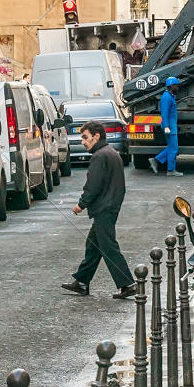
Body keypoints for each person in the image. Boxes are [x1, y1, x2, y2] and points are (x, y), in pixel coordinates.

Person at [62, 123, 134, 299]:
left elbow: (93, 185)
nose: (83, 142)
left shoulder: (100, 157)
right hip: (109, 207)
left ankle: (127, 284)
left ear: (96, 136)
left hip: (104, 208)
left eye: (85, 137)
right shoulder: (110, 153)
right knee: (93, 246)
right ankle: (81, 282)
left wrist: (81, 204)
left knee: (108, 246)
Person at [152, 75, 181, 175]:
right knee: (174, 148)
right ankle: (170, 170)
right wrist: (166, 126)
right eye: (176, 86)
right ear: (171, 86)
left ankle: (155, 160)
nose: (177, 87)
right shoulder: (166, 97)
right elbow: (164, 113)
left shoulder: (170, 96)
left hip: (171, 126)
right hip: (169, 127)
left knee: (172, 147)